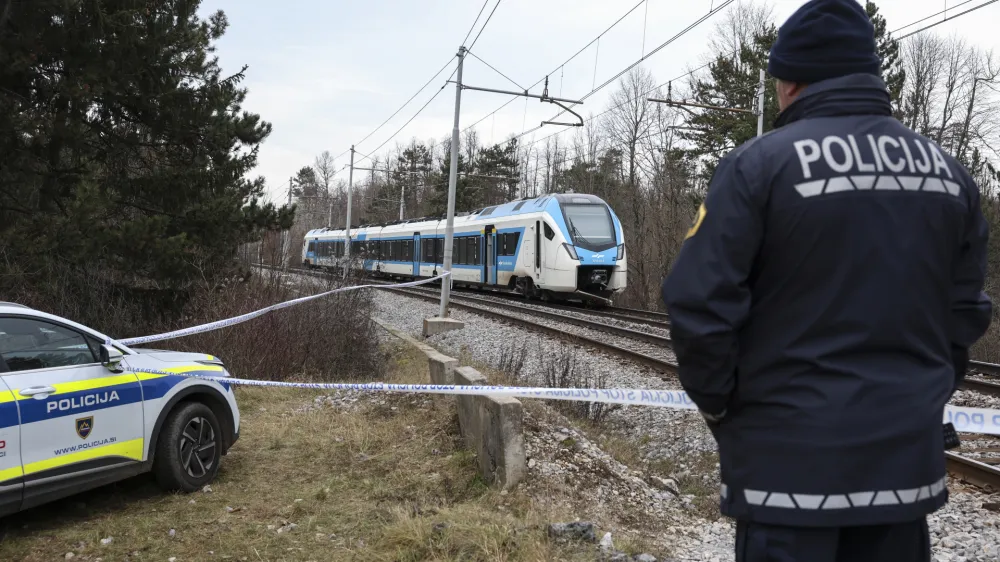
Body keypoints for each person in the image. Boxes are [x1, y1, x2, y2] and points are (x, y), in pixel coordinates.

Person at [661, 0, 993, 560]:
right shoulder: (948, 175)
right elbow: (964, 315)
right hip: (903, 476)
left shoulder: (758, 166)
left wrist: (725, 409)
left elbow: (697, 305)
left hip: (786, 478)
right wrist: (917, 399)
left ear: (790, 82)